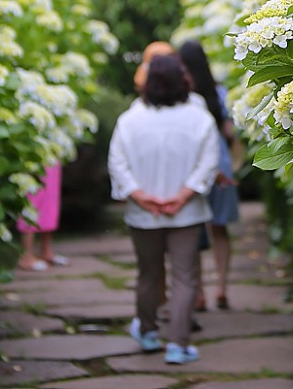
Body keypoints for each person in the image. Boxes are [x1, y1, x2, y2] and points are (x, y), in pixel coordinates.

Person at [107, 54, 220, 365]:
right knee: (185, 277)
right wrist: (183, 196)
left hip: (144, 214)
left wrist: (141, 196)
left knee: (148, 275)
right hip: (186, 213)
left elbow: (117, 163)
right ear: (183, 80)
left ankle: (147, 333)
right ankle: (178, 345)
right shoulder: (200, 118)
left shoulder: (130, 120)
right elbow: (208, 163)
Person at [178, 40, 240, 311]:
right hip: (221, 166)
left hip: (191, 168)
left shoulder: (182, 96)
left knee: (193, 231)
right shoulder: (218, 94)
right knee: (220, 229)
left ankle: (199, 293)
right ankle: (222, 287)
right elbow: (230, 134)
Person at [16, 162, 68, 271]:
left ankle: (46, 251)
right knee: (32, 199)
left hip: (51, 152)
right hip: (33, 152)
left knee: (50, 198)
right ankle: (26, 256)